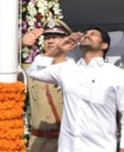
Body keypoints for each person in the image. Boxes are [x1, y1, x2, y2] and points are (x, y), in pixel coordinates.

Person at [26, 27, 124, 152]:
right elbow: (33, 72)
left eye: (93, 34)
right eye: (85, 33)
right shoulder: (66, 69)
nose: (87, 35)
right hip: (69, 147)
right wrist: (57, 49)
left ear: (104, 45)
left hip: (101, 147)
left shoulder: (117, 75)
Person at [21, 19, 72, 152]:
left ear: (66, 41)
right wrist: (21, 44)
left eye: (56, 38)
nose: (50, 42)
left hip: (65, 141)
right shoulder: (32, 69)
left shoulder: (75, 70)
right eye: (47, 38)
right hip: (38, 142)